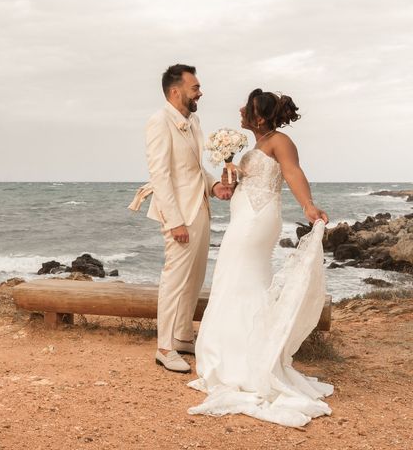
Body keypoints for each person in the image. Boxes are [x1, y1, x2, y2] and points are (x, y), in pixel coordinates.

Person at [188, 88, 333, 427]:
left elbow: (293, 173)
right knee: (233, 277)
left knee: (242, 278)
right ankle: (236, 351)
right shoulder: (255, 146)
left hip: (258, 219)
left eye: (248, 107)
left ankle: (246, 360)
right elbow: (246, 184)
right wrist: (230, 178)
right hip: (244, 216)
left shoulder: (280, 142)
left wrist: (308, 206)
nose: (240, 109)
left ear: (262, 117)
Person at [132, 64, 233, 373]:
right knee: (174, 279)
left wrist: (214, 185)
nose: (200, 92)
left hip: (200, 208)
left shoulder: (194, 121)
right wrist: (173, 220)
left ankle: (183, 336)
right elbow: (160, 175)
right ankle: (164, 347)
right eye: (195, 87)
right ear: (175, 92)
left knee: (195, 276)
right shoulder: (159, 121)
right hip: (178, 214)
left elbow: (193, 168)